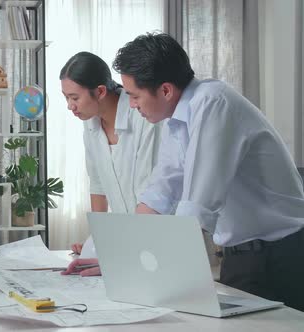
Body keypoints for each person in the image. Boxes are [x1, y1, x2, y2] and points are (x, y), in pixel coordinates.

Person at [113, 32, 304, 311]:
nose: (131, 105)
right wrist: (122, 256)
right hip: (243, 256)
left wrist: (154, 272)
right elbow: (160, 192)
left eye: (134, 95)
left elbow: (198, 206)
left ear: (165, 90)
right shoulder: (177, 120)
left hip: (281, 255)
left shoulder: (214, 102)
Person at [58, 52, 160, 276]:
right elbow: (98, 185)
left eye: (75, 98)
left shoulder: (142, 117)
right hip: (128, 241)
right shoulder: (90, 124)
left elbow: (149, 191)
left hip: (156, 236)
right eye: (66, 98)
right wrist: (97, 241)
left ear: (101, 91)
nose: (70, 106)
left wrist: (117, 252)